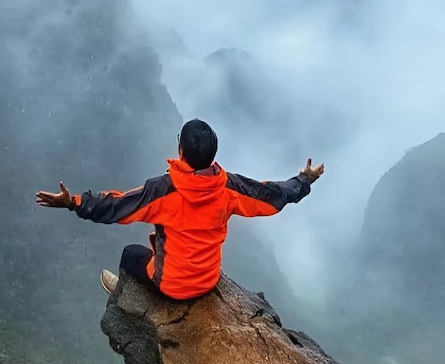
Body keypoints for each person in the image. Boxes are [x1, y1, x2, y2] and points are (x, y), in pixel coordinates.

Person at [35, 118, 324, 300]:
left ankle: (124, 298)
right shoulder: (229, 188)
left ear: (181, 152)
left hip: (172, 286)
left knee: (130, 255)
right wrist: (304, 180)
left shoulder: (162, 191)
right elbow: (272, 196)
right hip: (208, 281)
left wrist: (72, 202)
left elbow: (117, 207)